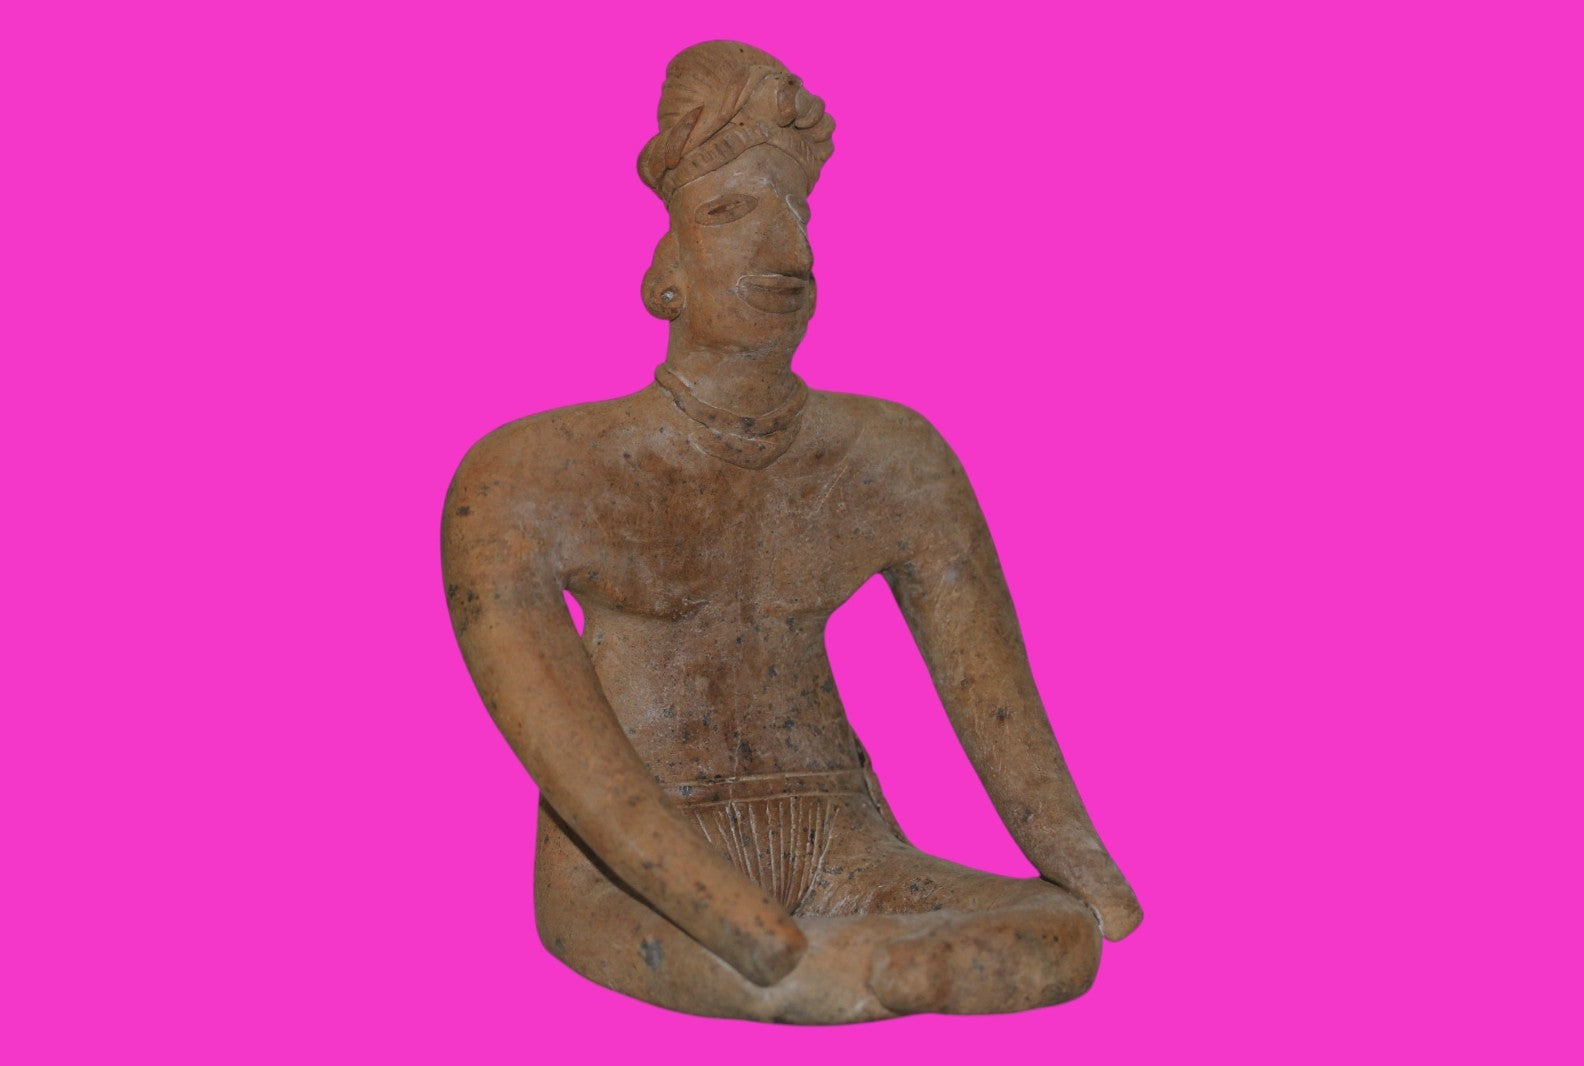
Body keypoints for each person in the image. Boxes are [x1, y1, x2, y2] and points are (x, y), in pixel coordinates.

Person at [442, 41, 1141, 1022]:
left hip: (845, 843)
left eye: (797, 212)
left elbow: (995, 700)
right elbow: (568, 746)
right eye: (730, 211)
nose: (784, 250)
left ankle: (836, 967)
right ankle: (823, 970)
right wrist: (741, 927)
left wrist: (1088, 883)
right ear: (664, 272)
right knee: (816, 973)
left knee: (1050, 937)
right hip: (631, 867)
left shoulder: (890, 454)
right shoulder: (532, 472)